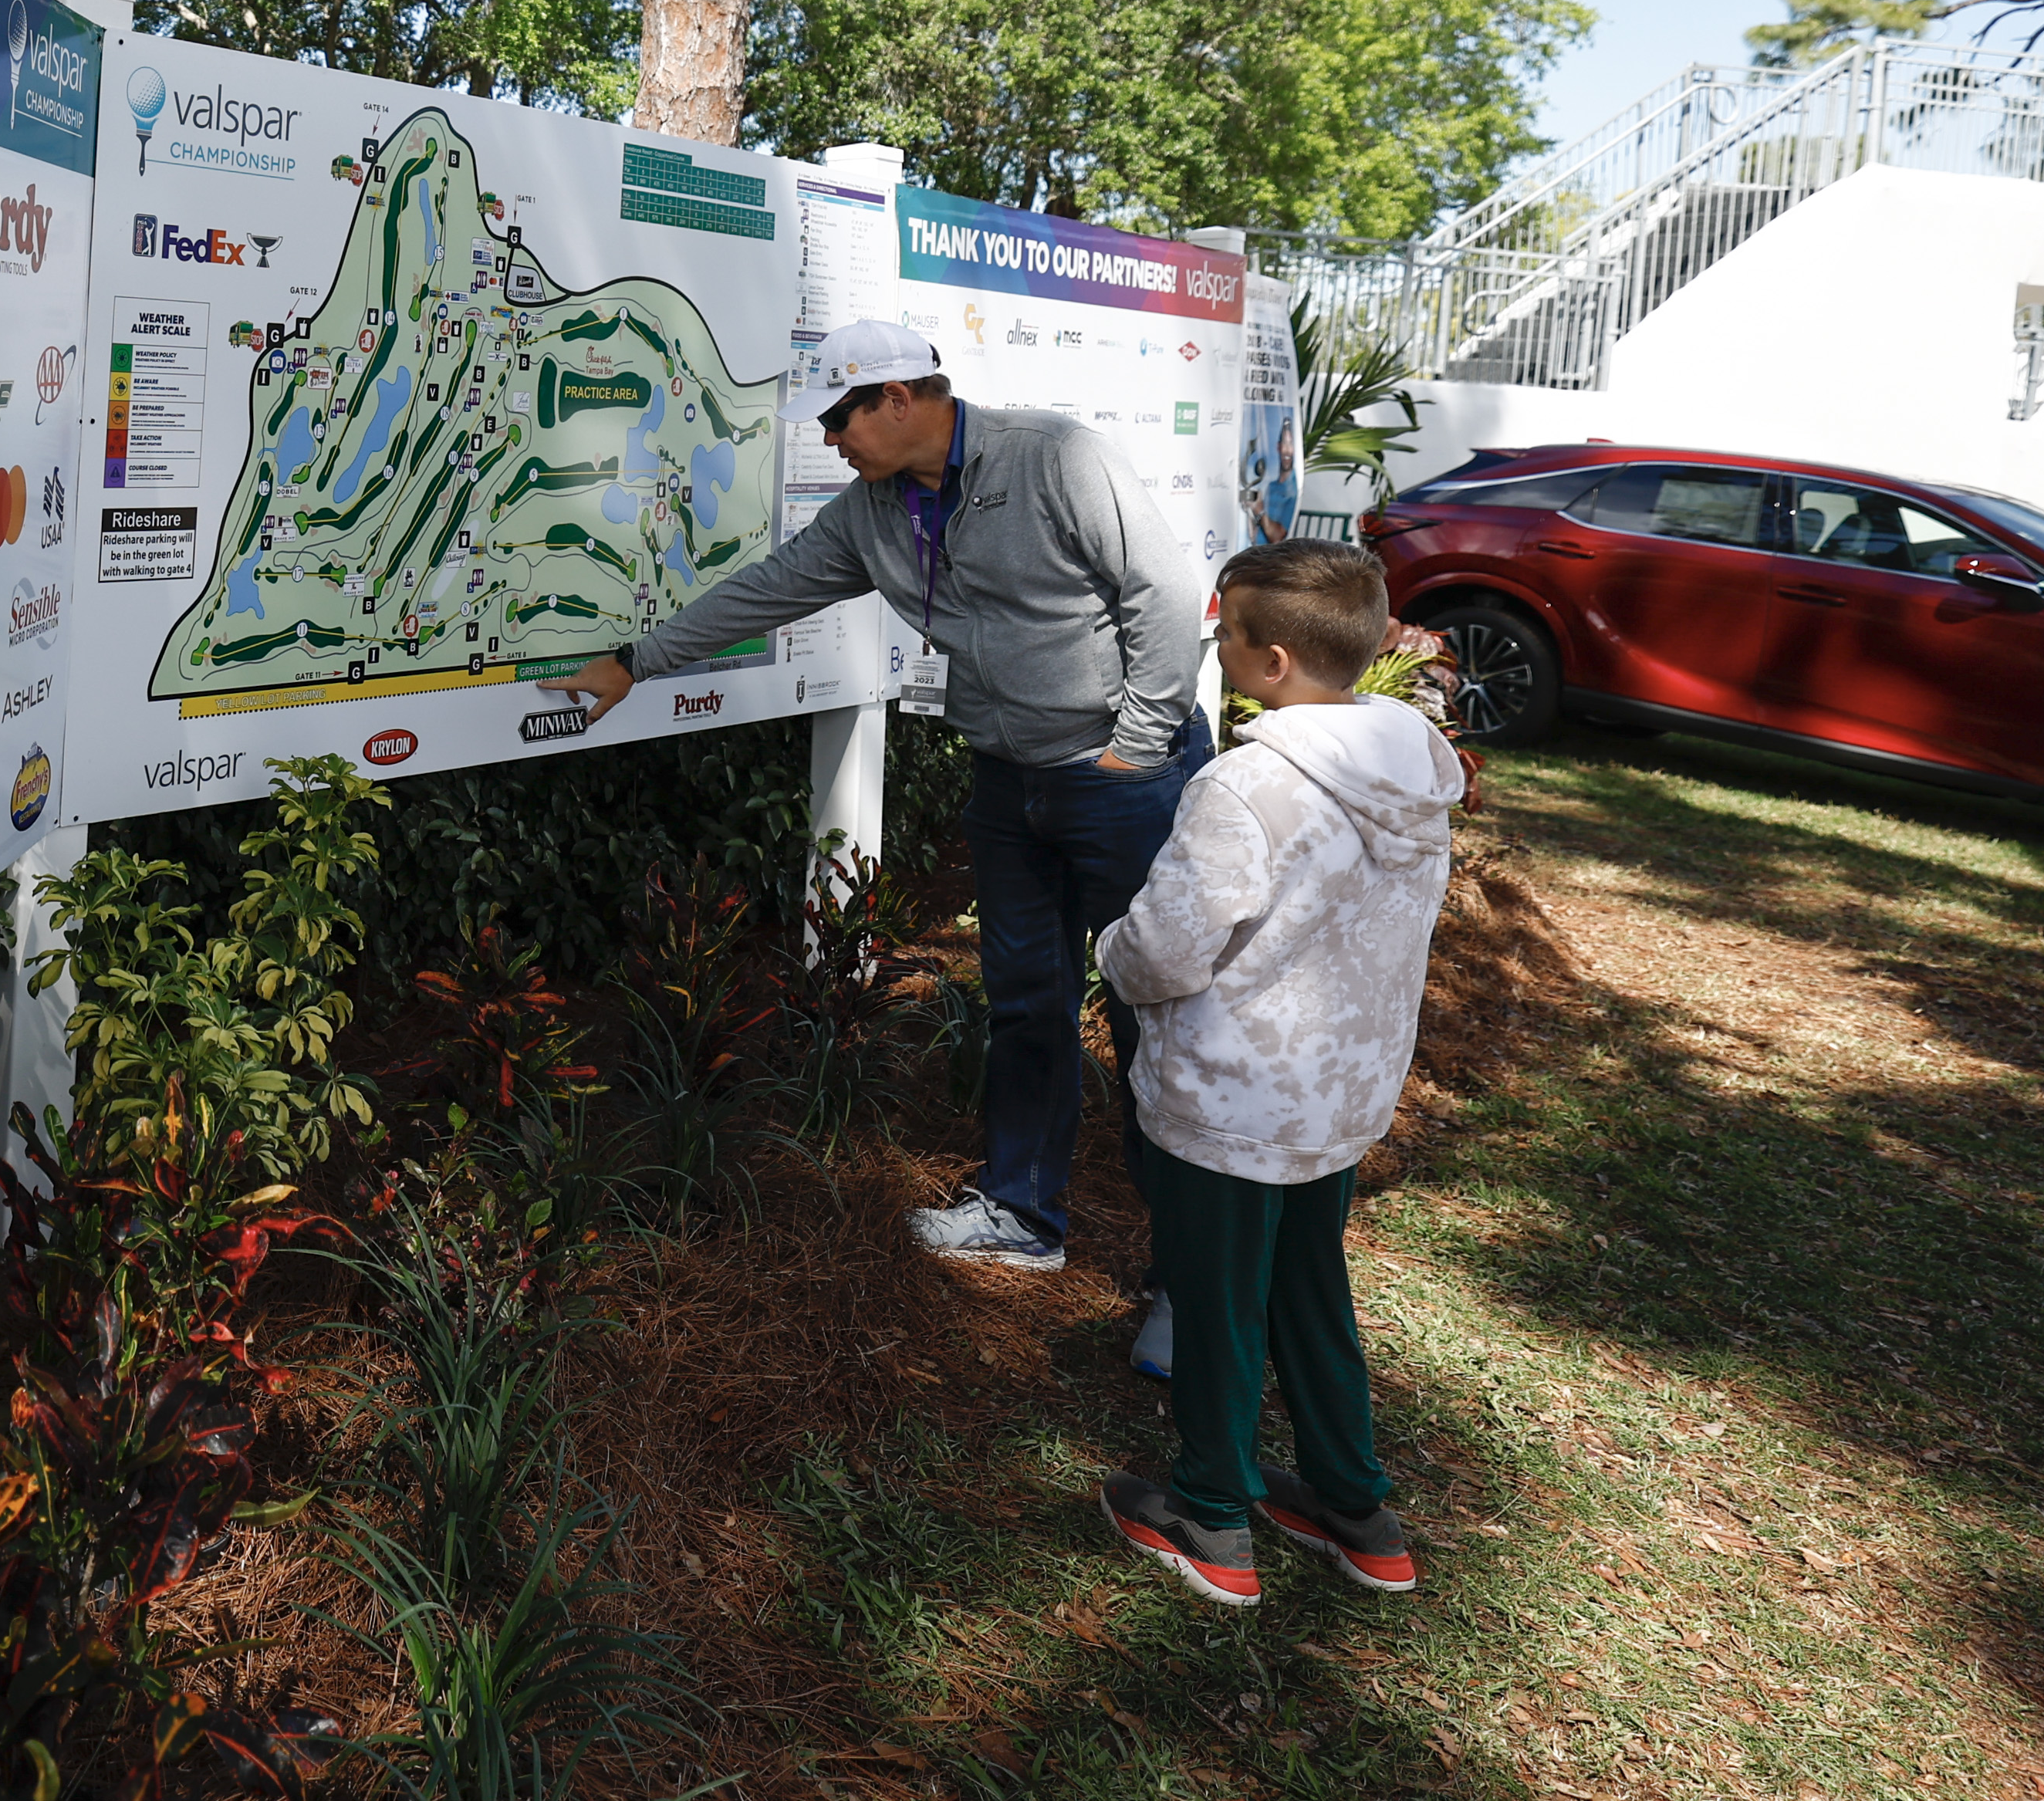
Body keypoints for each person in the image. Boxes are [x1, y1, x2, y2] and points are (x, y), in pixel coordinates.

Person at [563, 316, 1207, 1288]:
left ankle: (1185, 1274)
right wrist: (636, 661)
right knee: (1027, 1003)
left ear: (897, 398)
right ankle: (1023, 1210)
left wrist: (1139, 748)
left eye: (839, 418)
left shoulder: (1053, 457)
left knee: (1149, 1011)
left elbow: (1161, 593)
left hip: (1119, 779)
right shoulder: (872, 511)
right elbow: (772, 588)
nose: (831, 440)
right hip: (1008, 782)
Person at [1088, 538, 1465, 1608]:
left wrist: (1109, 951)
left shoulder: (1245, 784)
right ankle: (1356, 1509)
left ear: (1272, 660)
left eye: (1228, 635)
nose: (1217, 650)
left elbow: (1167, 947)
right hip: (1337, 1093)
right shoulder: (1416, 768)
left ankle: (1210, 1513)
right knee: (1308, 1289)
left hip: (1231, 1097)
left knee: (1217, 1303)